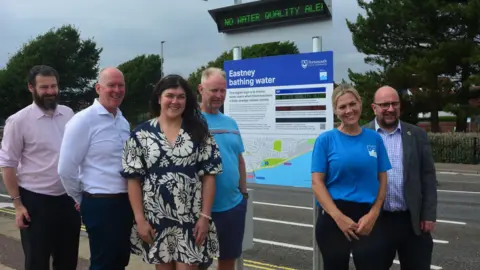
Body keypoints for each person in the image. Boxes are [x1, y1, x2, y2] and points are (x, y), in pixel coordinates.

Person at [121, 74, 222, 270]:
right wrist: (140, 220)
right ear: (159, 98)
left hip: (190, 218)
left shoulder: (199, 132)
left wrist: (204, 217)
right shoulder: (140, 135)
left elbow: (210, 176)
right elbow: (132, 179)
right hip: (156, 219)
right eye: (170, 95)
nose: (175, 101)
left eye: (181, 96)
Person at [0, 65, 81, 270]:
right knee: (37, 262)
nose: (51, 92)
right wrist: (18, 205)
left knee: (68, 261)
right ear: (31, 87)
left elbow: (76, 155)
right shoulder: (18, 121)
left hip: (67, 201)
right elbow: (8, 164)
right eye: (44, 87)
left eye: (54, 86)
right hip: (36, 203)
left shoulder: (69, 114)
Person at [57, 67, 133, 270]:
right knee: (103, 263)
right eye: (111, 85)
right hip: (100, 204)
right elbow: (66, 169)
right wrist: (80, 198)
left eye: (121, 85)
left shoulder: (123, 121)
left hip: (125, 203)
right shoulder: (83, 121)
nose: (117, 90)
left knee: (120, 260)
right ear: (98, 88)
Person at [311, 84, 391, 270]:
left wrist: (374, 213)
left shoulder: (374, 139)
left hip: (367, 218)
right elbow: (317, 183)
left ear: (360, 104)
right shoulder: (325, 140)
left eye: (352, 104)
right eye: (342, 107)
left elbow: (383, 178)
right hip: (334, 218)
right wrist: (338, 217)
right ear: (335, 111)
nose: (349, 110)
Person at [365, 85, 437, 270]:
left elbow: (428, 176)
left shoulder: (417, 135)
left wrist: (428, 215)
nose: (390, 109)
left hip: (412, 222)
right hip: (377, 222)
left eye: (394, 104)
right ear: (374, 107)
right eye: (384, 104)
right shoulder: (362, 136)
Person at [197, 67, 248, 270]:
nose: (219, 96)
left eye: (223, 91)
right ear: (201, 89)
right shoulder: (190, 122)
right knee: (198, 263)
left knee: (228, 260)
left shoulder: (231, 122)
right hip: (199, 210)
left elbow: (239, 159)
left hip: (232, 207)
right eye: (214, 90)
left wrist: (243, 194)